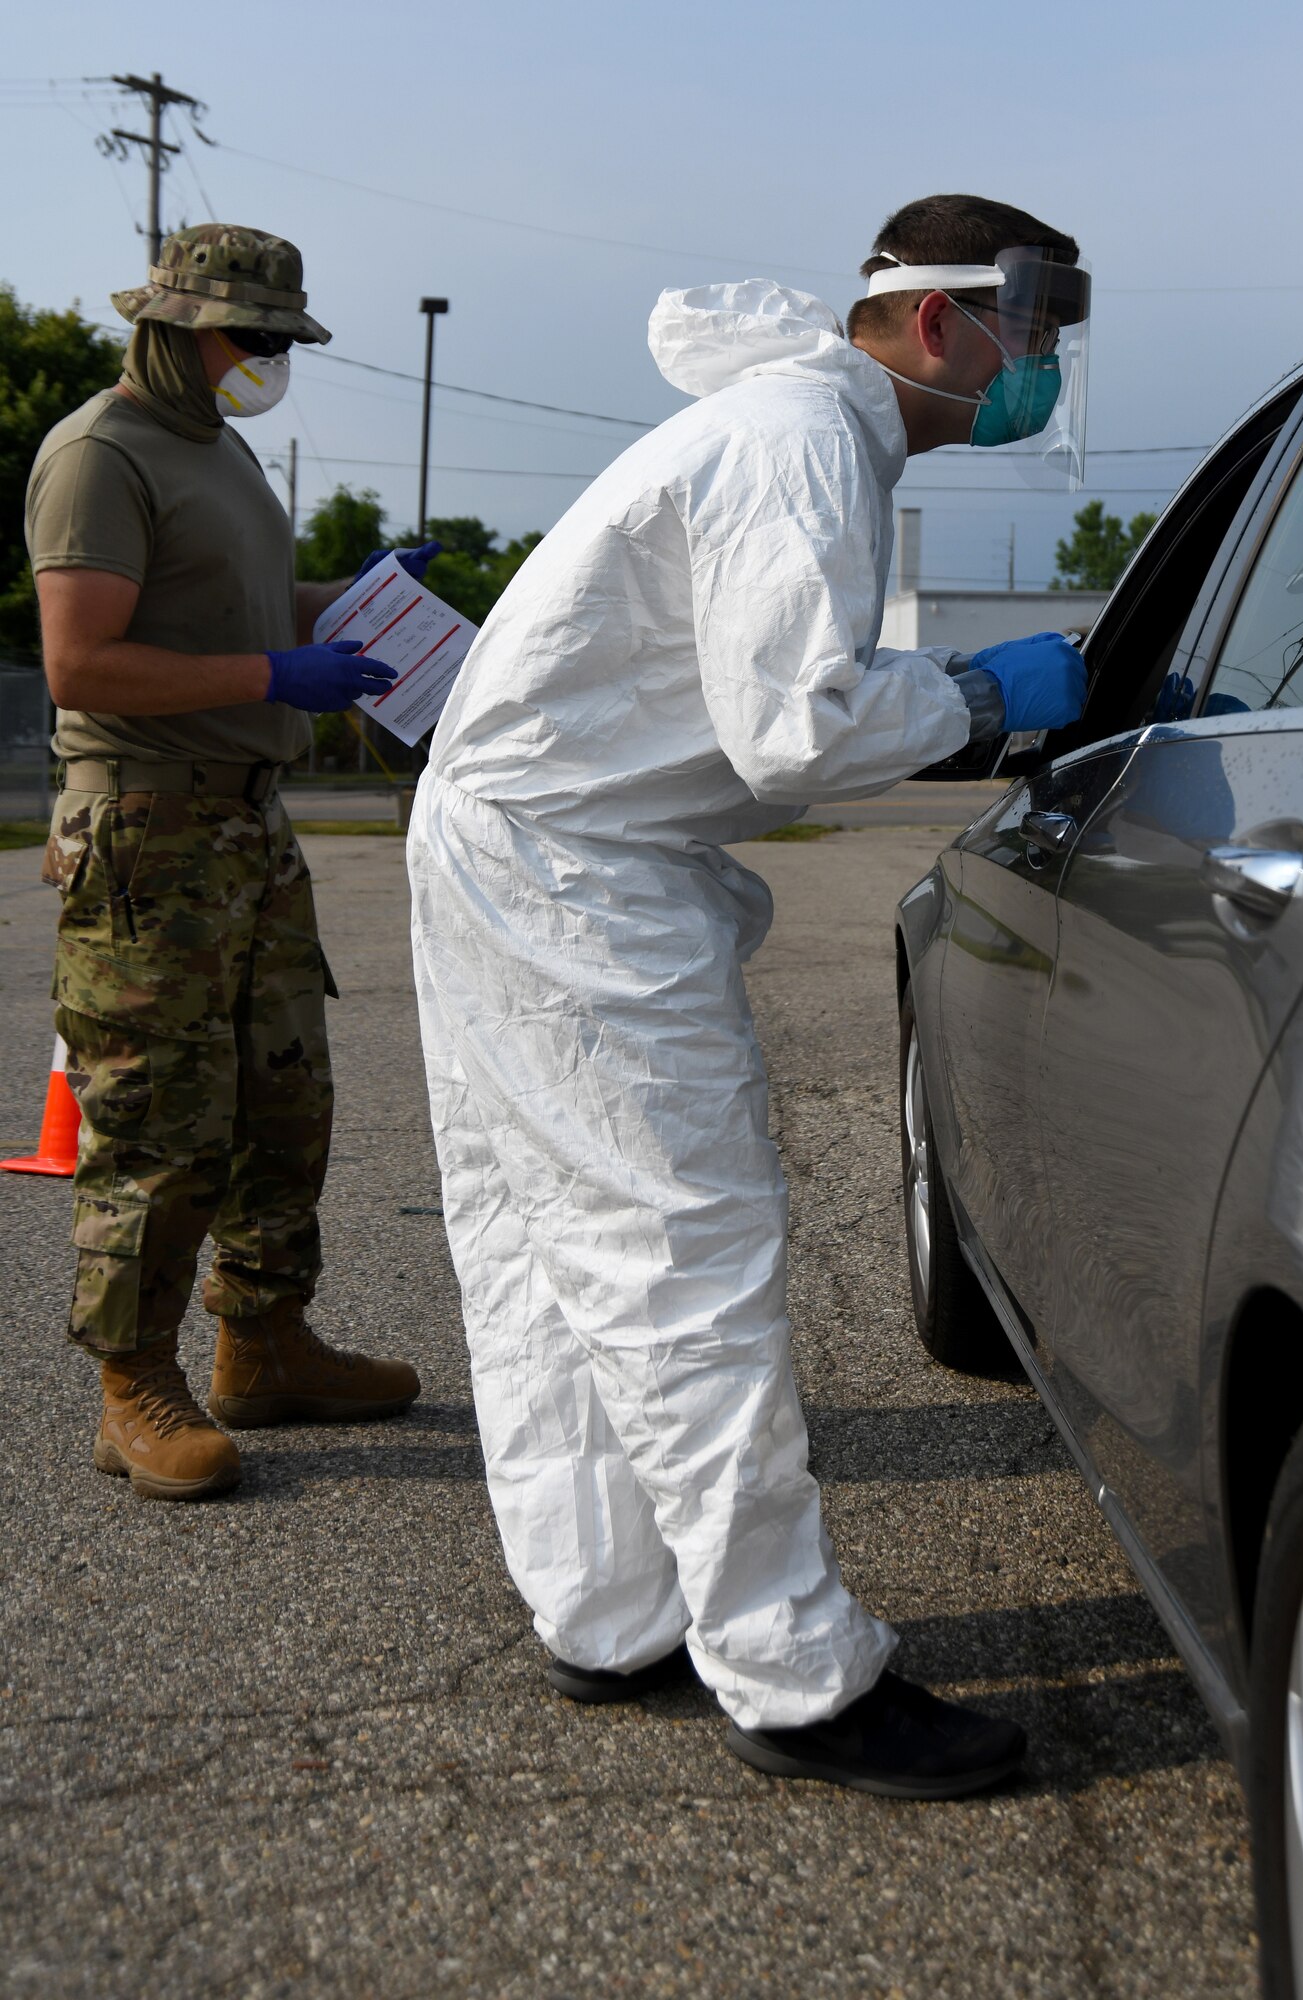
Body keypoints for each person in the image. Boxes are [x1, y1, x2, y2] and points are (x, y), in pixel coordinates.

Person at [407, 194, 1089, 1798]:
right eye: (1031, 336)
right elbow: (794, 732)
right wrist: (986, 694)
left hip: (514, 844)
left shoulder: (792, 428)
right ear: (939, 324)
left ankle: (606, 1608)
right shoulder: (800, 444)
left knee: (543, 1249)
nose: (1040, 373)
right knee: (677, 1255)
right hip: (571, 874)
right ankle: (793, 1677)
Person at [26, 223, 430, 1503]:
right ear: (176, 321)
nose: (269, 358)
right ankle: (132, 1383)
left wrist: (347, 600)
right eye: (251, 336)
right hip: (147, 830)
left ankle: (264, 1342)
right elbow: (80, 662)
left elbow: (245, 608)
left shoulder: (222, 447)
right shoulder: (100, 455)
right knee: (157, 1124)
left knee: (283, 1098)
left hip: (248, 824)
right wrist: (274, 674)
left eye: (282, 341)